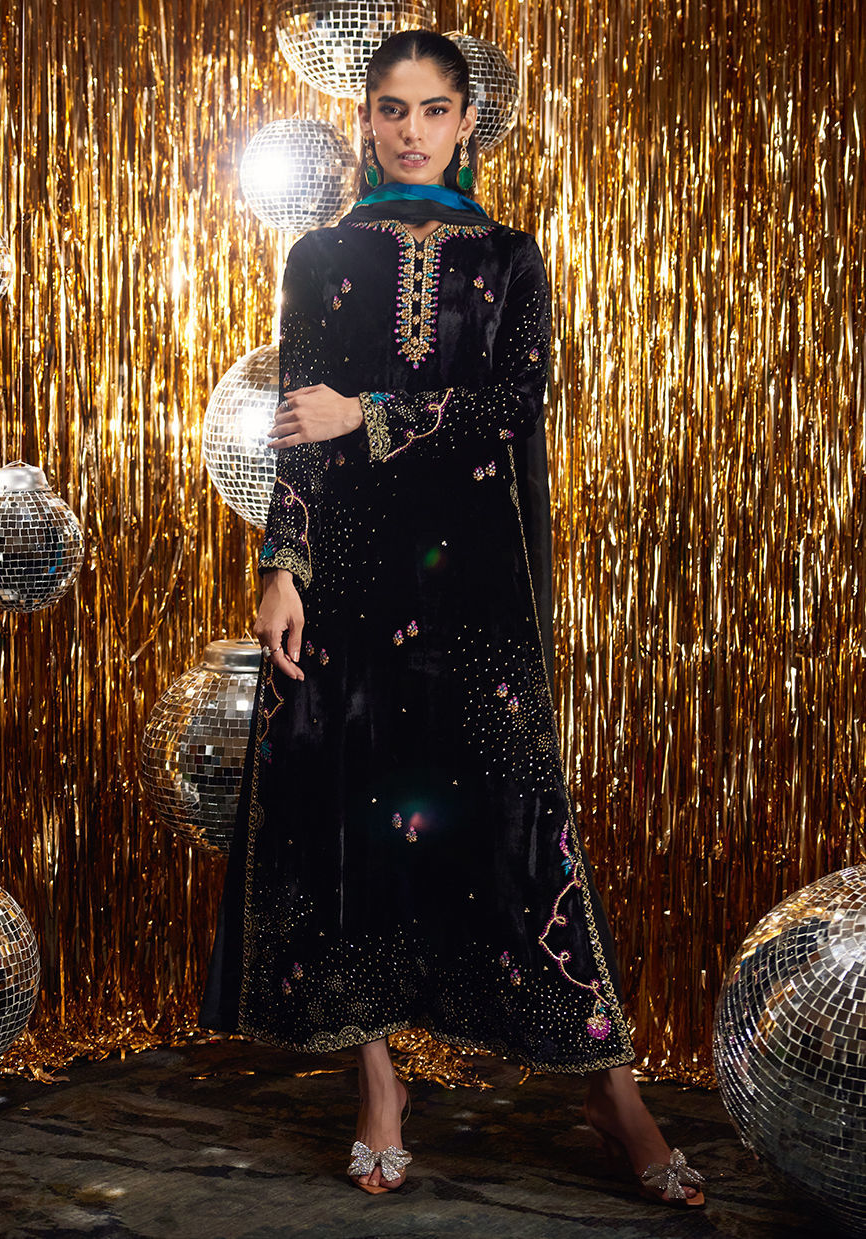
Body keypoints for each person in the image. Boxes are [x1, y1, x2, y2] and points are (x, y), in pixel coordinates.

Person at [202, 30, 704, 1207]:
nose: (412, 131)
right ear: (366, 120)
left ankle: (607, 1086)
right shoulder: (319, 255)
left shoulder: (510, 257)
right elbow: (293, 428)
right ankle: (379, 1083)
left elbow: (514, 404)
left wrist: (368, 413)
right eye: (392, 108)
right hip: (350, 578)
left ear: (469, 122)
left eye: (434, 109)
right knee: (351, 809)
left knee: (517, 817)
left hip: (474, 576)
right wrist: (282, 569)